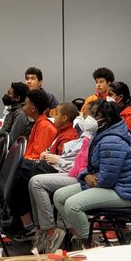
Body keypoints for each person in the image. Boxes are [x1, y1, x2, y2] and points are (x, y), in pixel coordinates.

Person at [53, 100, 131, 250]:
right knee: (59, 196)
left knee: (72, 205)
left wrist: (87, 176)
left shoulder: (111, 140)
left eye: (94, 115)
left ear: (105, 119)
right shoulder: (100, 133)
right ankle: (78, 234)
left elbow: (107, 180)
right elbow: (86, 164)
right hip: (108, 184)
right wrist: (85, 174)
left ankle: (89, 246)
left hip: (122, 191)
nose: (89, 118)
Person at [29, 102, 98, 253]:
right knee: (33, 178)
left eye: (85, 115)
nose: (82, 118)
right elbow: (75, 159)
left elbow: (83, 165)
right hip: (77, 173)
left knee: (36, 179)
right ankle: (42, 228)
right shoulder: (86, 135)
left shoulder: (93, 138)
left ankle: (49, 230)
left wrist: (59, 161)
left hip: (83, 177)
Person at [7, 103, 78, 239]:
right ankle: (26, 223)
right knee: (15, 173)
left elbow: (62, 163)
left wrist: (50, 158)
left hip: (54, 172)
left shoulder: (68, 136)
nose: (53, 115)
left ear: (64, 118)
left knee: (19, 174)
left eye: (56, 113)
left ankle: (34, 226)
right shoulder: (60, 131)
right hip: (45, 167)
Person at [23, 90, 58, 160]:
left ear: (33, 108)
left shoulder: (45, 127)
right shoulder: (39, 123)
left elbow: (38, 157)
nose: (23, 107)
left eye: (25, 104)